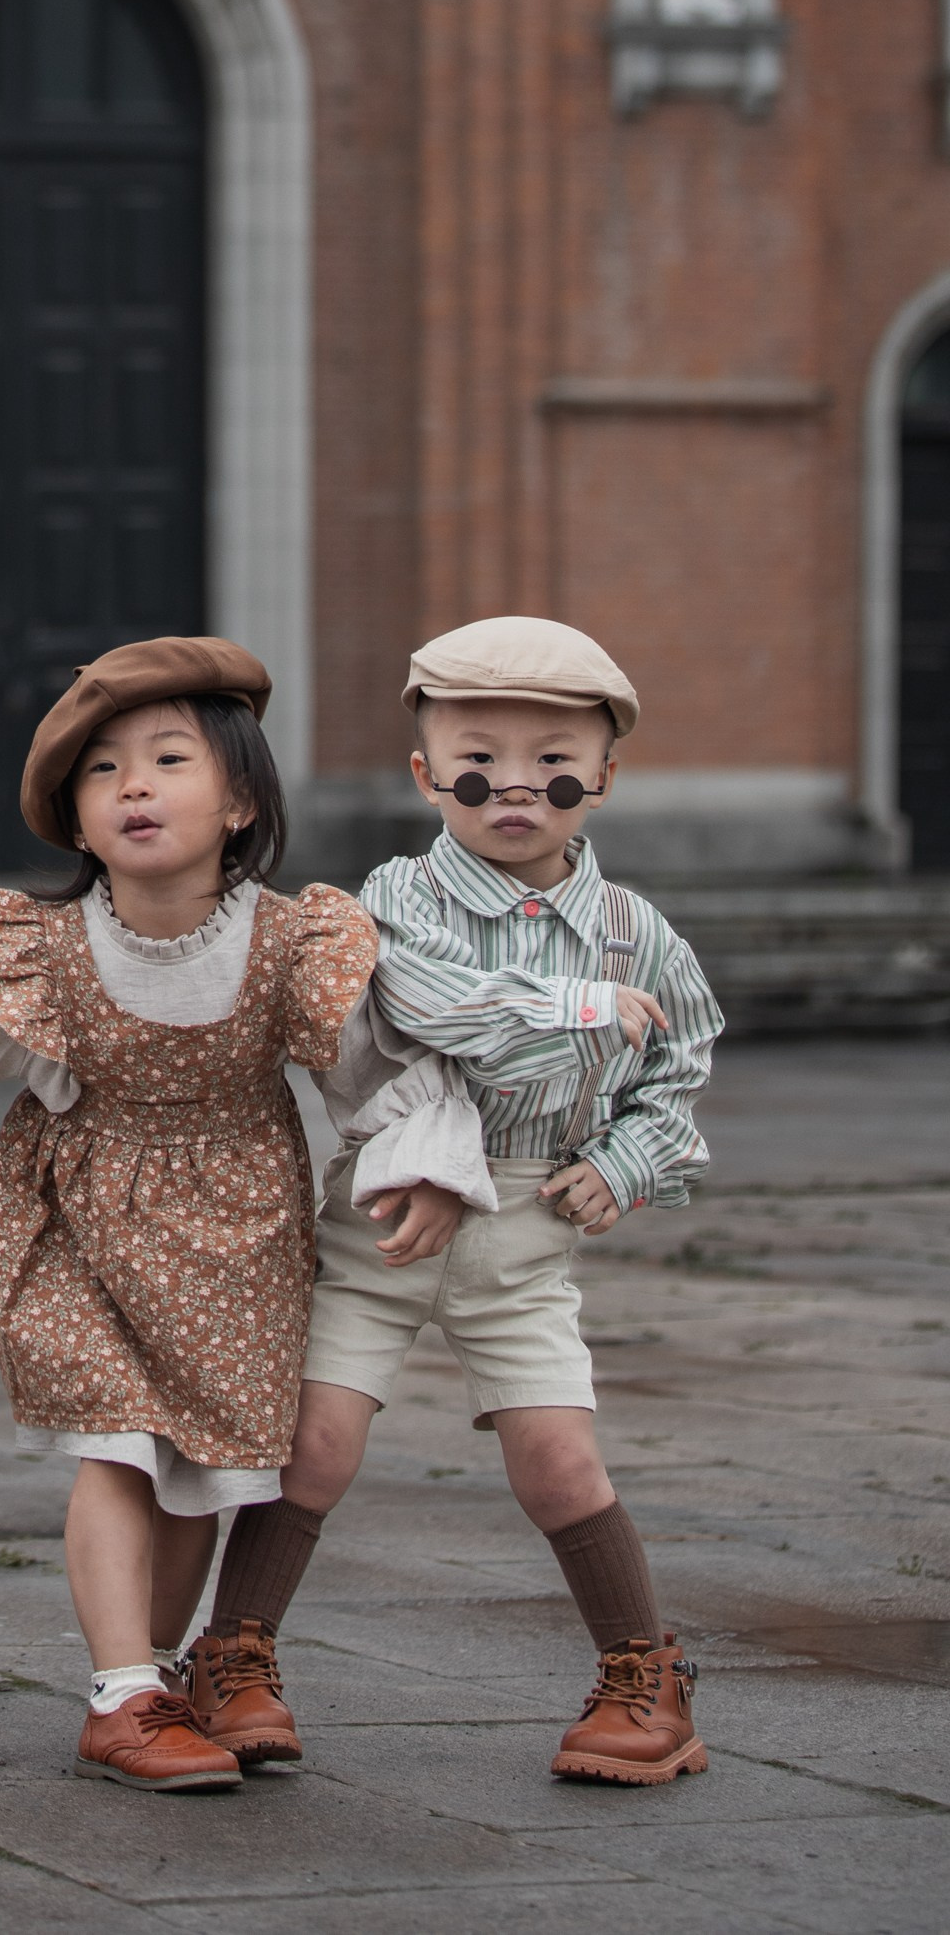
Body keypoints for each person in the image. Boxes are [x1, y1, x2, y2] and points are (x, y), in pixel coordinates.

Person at [0, 635, 494, 1792]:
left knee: (204, 1469)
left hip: (242, 1235)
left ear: (240, 799)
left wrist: (426, 1161)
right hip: (79, 1219)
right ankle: (118, 1693)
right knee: (117, 1444)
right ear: (75, 823)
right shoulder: (45, 951)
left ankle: (165, 1671)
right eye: (101, 772)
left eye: (168, 759)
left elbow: (378, 1067)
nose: (133, 786)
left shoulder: (297, 943)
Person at [229, 615, 722, 1788]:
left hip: (527, 1224)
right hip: (390, 1211)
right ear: (423, 773)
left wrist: (625, 1165)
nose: (514, 785)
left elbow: (680, 1072)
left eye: (551, 759)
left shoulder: (633, 934)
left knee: (558, 1462)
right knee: (315, 1445)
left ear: (603, 775)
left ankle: (644, 1678)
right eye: (477, 757)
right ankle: (234, 1656)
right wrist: (575, 1012)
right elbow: (432, 1007)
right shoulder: (391, 900)